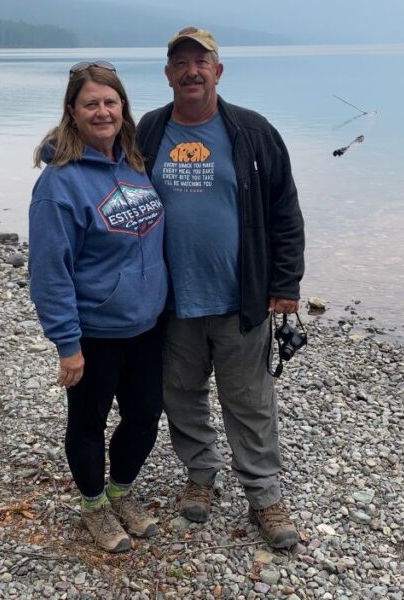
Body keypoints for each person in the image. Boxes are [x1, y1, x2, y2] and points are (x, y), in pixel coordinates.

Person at [137, 27, 305, 549]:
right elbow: (102, 162)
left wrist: (286, 282)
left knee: (249, 399)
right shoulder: (148, 130)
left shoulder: (252, 131)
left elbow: (285, 210)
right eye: (181, 63)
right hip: (171, 297)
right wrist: (57, 149)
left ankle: (264, 495)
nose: (191, 71)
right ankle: (201, 475)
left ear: (218, 71)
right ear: (167, 75)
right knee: (181, 393)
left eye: (201, 61)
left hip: (240, 296)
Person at [28, 61, 168, 553]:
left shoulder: (133, 160)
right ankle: (93, 506)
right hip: (95, 331)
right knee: (87, 424)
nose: (102, 111)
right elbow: (49, 271)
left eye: (111, 101)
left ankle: (120, 492)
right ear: (73, 111)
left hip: (148, 326)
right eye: (91, 103)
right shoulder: (59, 184)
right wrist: (68, 345)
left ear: (123, 107)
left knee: (146, 416)